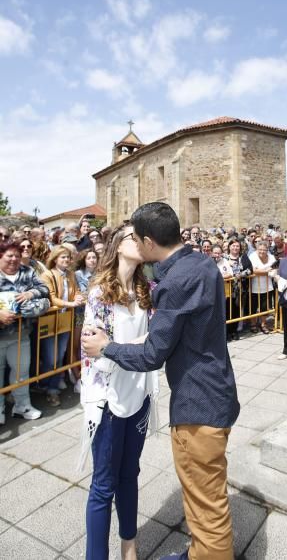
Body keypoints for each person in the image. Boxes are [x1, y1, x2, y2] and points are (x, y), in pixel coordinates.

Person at [82, 202, 240, 560]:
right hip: (196, 391)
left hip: (196, 403)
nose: (135, 244)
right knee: (202, 495)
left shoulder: (169, 284)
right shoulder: (200, 262)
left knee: (205, 503)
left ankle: (207, 553)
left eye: (137, 237)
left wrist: (109, 346)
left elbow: (153, 352)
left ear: (149, 241)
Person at [79, 223, 158, 560]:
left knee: (130, 474)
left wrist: (126, 347)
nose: (140, 241)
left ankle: (129, 545)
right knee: (103, 484)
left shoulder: (145, 290)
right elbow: (93, 351)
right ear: (117, 245)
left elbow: (155, 340)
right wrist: (138, 346)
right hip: (107, 399)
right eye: (133, 237)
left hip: (138, 393)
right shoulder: (100, 292)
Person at [0, 240, 50, 424]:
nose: (14, 259)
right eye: (9, 255)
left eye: (17, 256)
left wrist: (31, 294)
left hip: (21, 334)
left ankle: (22, 405)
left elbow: (45, 289)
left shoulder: (26, 272)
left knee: (21, 371)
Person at [41, 246, 85, 406]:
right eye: (62, 257)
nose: (66, 260)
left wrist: (78, 298)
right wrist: (71, 303)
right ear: (55, 259)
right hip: (50, 320)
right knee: (50, 357)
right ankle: (46, 384)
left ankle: (52, 389)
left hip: (65, 319)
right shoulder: (47, 275)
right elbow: (51, 297)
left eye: (67, 257)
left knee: (59, 355)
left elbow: (77, 291)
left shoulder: (70, 274)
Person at [71, 248, 99, 392]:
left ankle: (90, 375)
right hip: (80, 314)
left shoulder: (100, 274)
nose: (92, 260)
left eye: (94, 257)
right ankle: (76, 376)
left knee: (90, 345)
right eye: (89, 258)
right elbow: (76, 293)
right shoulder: (78, 275)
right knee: (76, 345)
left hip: (96, 315)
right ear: (84, 260)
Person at [249, 239, 276, 334]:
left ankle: (263, 324)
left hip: (268, 286)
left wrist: (261, 270)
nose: (262, 251)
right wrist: (267, 270)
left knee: (265, 307)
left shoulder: (271, 257)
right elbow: (253, 270)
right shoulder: (252, 256)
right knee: (253, 306)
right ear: (257, 248)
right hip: (254, 286)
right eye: (260, 249)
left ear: (267, 249)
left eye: (264, 249)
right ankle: (253, 324)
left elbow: (275, 268)